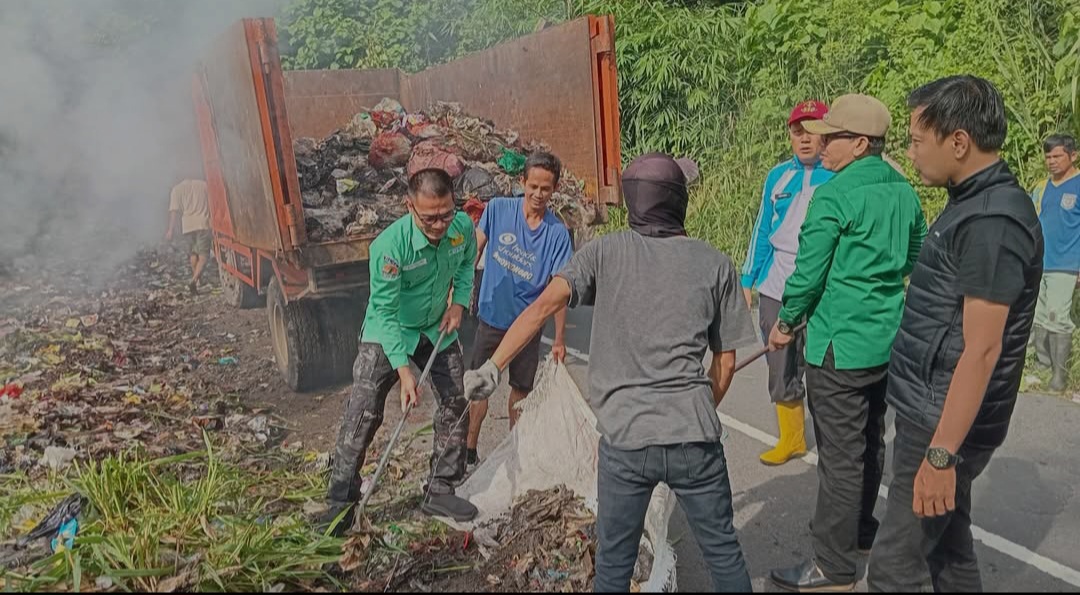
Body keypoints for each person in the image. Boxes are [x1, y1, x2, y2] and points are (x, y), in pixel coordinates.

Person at [464, 153, 759, 593]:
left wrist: (492, 364)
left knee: (615, 565)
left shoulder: (605, 251)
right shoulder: (716, 263)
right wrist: (694, 410)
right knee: (723, 553)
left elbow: (543, 304)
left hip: (625, 443)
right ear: (679, 202)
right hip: (693, 437)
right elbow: (726, 363)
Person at [868, 75, 1044, 593]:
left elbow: (983, 348)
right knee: (947, 549)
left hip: (944, 420)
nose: (910, 152)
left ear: (959, 142)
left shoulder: (992, 221)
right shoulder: (971, 201)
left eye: (917, 140)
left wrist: (942, 454)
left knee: (894, 568)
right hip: (936, 406)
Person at [767, 94, 928, 591]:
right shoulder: (904, 191)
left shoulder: (833, 195)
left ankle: (832, 566)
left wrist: (786, 322)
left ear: (859, 144)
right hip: (885, 339)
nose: (820, 142)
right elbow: (915, 256)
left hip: (838, 344)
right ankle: (861, 531)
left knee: (839, 456)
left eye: (831, 136)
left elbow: (807, 273)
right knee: (870, 440)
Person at [322, 168, 478, 533]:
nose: (440, 224)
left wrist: (459, 303)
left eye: (446, 213)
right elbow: (386, 312)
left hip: (435, 326)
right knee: (363, 412)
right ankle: (340, 503)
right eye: (430, 217)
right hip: (389, 330)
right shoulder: (390, 247)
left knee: (457, 401)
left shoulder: (462, 228)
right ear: (409, 206)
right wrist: (405, 373)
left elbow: (469, 262)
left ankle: (440, 489)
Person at [741, 99, 834, 466]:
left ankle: (833, 444)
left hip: (824, 288)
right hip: (777, 285)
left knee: (826, 368)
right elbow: (763, 228)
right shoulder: (777, 176)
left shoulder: (839, 175)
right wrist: (748, 277)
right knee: (780, 363)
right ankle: (792, 438)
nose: (806, 139)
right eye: (798, 131)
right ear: (790, 136)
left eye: (813, 130)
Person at [465, 152, 574, 466]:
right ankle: (470, 449)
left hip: (526, 328)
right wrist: (457, 294)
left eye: (546, 189)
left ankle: (515, 451)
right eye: (533, 187)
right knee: (478, 387)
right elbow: (475, 250)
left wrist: (559, 339)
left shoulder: (556, 234)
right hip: (491, 318)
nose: (538, 195)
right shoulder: (498, 210)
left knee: (520, 391)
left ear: (555, 189)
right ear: (522, 182)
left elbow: (559, 291)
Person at [1029, 134, 1078, 391]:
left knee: (1058, 317)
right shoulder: (1041, 187)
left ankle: (1059, 377)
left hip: (1067, 264)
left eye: (1057, 156)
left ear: (1073, 155)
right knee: (1039, 315)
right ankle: (1042, 365)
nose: (1051, 161)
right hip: (1041, 263)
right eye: (1048, 156)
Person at [165, 178, 211, 294]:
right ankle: (194, 280)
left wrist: (170, 230)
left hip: (188, 226)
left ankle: (198, 281)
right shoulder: (204, 185)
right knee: (204, 255)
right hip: (203, 223)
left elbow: (174, 211)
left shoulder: (177, 189)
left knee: (193, 254)